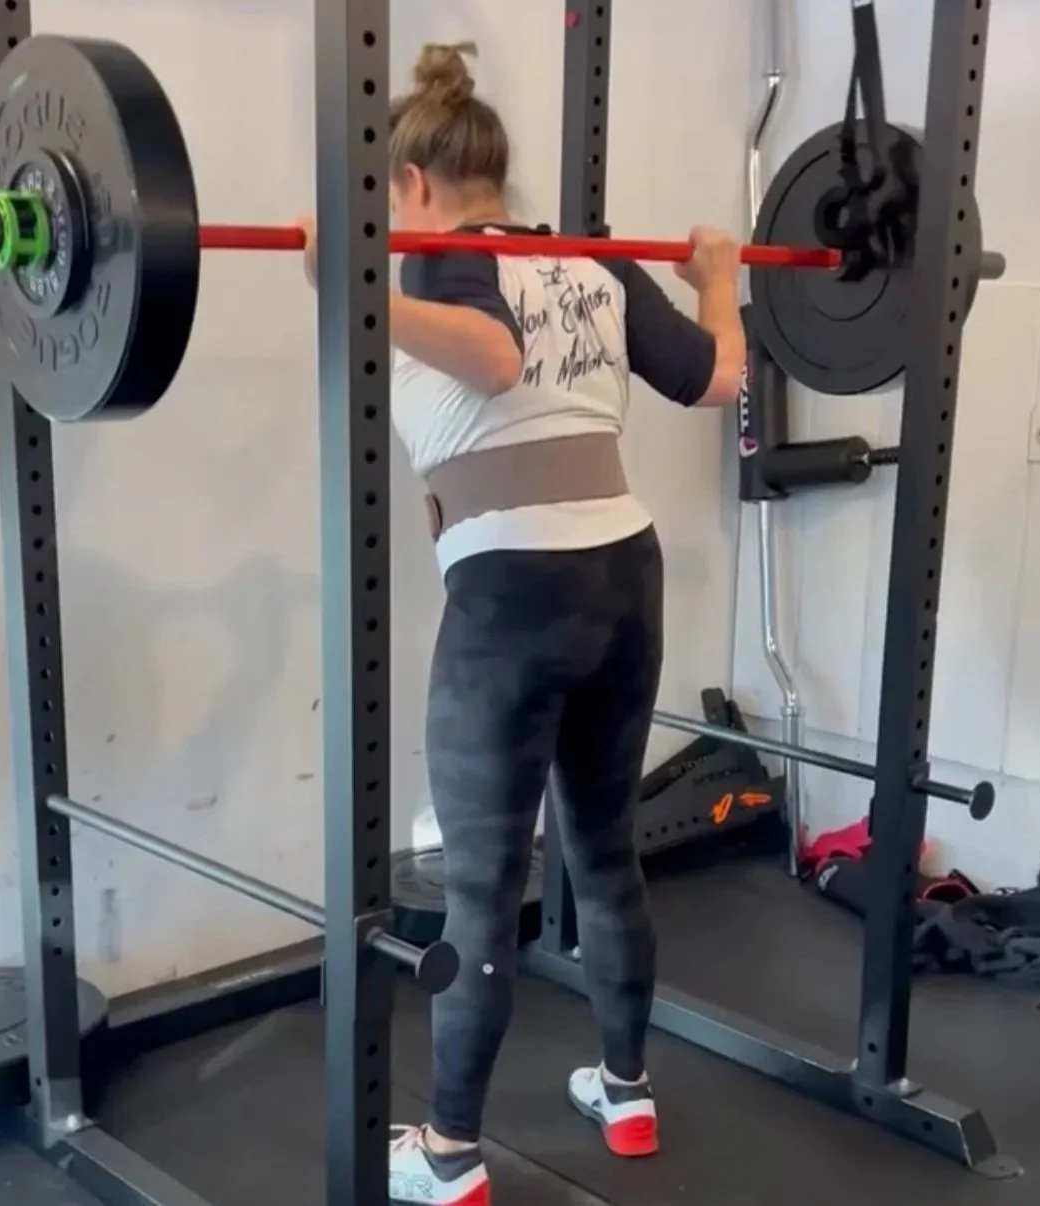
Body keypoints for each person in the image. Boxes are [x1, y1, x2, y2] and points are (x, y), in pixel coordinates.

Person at [300, 41, 745, 1206]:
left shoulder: (433, 261)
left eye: (384, 199)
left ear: (412, 184)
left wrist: (356, 282)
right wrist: (716, 275)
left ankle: (449, 1154)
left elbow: (494, 358)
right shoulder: (591, 260)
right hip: (625, 577)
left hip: (512, 596)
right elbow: (716, 378)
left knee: (484, 887)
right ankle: (627, 1091)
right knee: (602, 848)